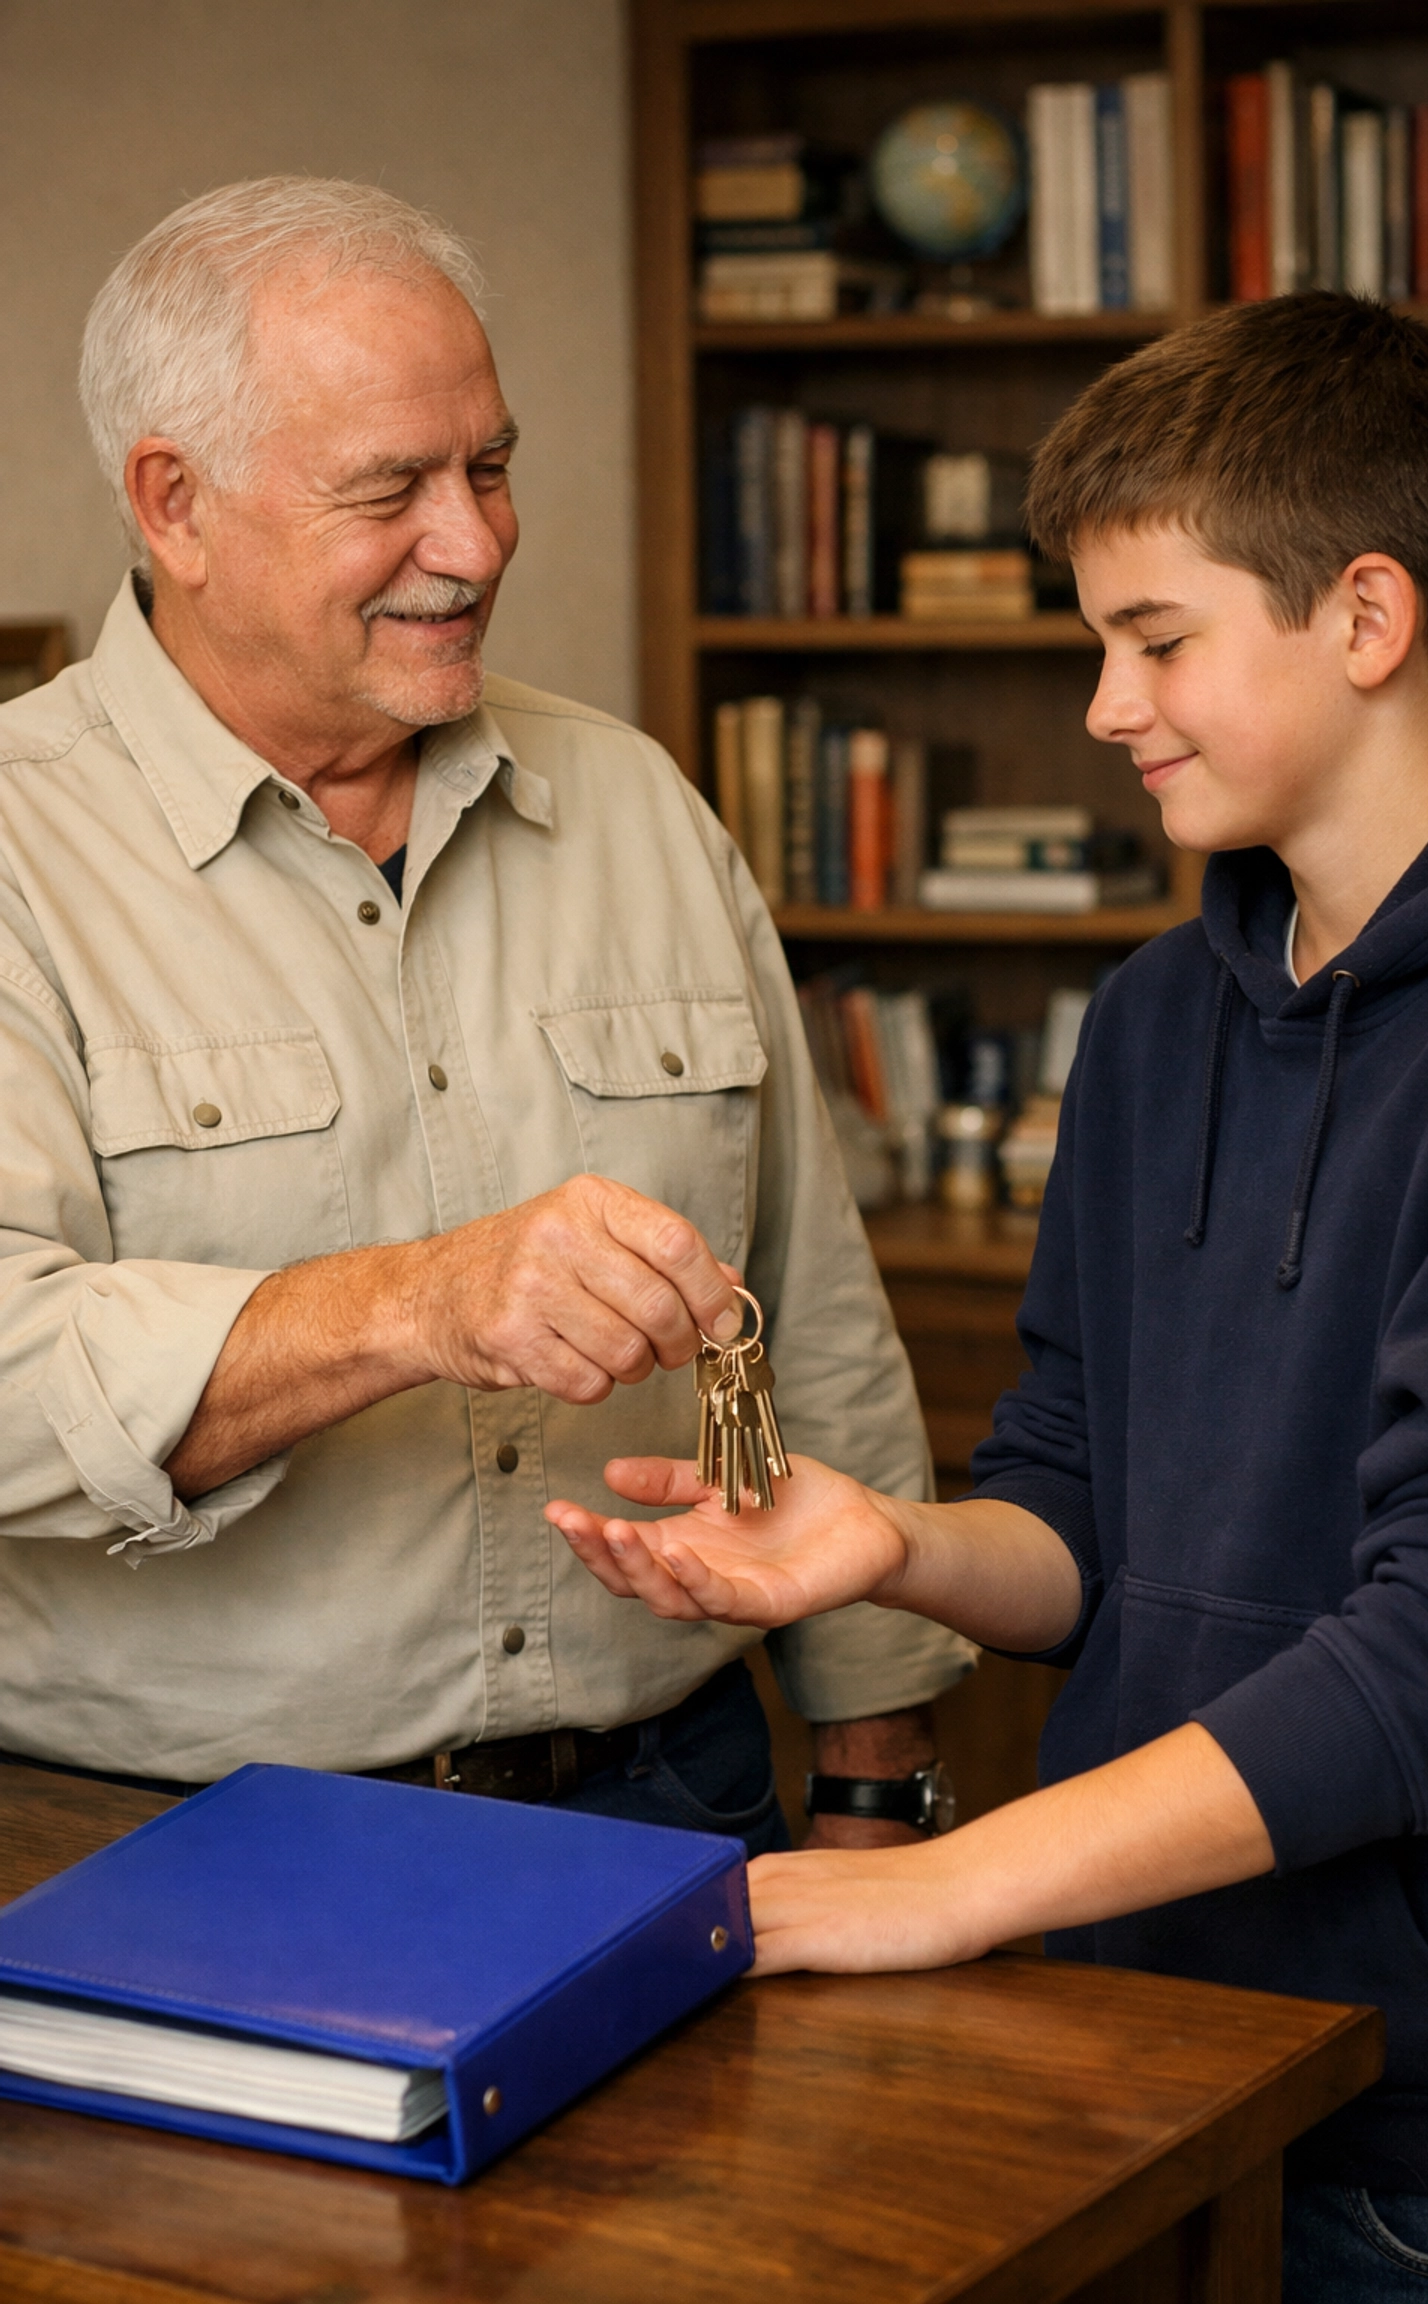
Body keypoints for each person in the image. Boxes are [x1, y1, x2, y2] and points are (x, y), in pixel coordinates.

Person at [550, 294, 1428, 2297]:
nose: (1104, 704)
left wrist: (949, 1886)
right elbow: (1082, 1511)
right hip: (1132, 2038)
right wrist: (897, 1548)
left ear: (1368, 615)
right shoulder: (1159, 1017)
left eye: (1155, 640)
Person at [0, 177, 973, 1848]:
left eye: (492, 468)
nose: (476, 545)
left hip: (682, 1798)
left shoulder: (636, 799)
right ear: (175, 504)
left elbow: (811, 1316)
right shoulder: (19, 850)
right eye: (392, 490)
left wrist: (878, 1774)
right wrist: (412, 1304)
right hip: (168, 1842)